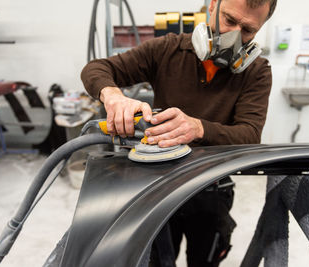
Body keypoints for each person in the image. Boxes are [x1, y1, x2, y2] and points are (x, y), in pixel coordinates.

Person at [81, 0, 277, 265]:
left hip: (212, 188)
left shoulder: (256, 71)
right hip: (160, 184)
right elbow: (96, 69)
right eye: (229, 20)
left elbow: (250, 134)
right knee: (157, 258)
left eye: (247, 30)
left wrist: (198, 127)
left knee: (205, 259)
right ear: (212, 7)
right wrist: (113, 96)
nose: (233, 36)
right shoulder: (166, 49)